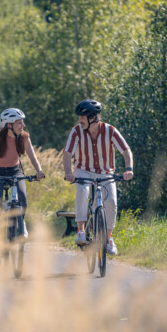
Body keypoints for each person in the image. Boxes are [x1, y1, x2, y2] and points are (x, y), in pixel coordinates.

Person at [63, 99, 133, 254]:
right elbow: (67, 152)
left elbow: (126, 150)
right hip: (83, 170)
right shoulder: (76, 131)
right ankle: (81, 231)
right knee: (82, 192)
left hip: (105, 172)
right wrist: (68, 172)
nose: (79, 121)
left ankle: (108, 238)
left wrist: (129, 169)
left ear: (92, 118)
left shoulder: (110, 131)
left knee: (112, 201)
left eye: (82, 118)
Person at [0, 108, 45, 236]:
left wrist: (39, 171)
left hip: (15, 172)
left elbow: (33, 157)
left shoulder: (24, 137)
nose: (23, 125)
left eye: (22, 122)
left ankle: (22, 222)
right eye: (19, 123)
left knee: (22, 197)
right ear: (9, 125)